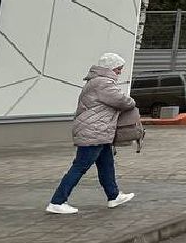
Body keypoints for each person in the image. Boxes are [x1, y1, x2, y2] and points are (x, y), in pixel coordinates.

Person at [47, 53, 137, 215]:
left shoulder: (97, 82)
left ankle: (113, 196)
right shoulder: (103, 83)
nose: (120, 72)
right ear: (110, 68)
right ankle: (57, 201)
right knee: (80, 166)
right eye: (118, 69)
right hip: (94, 132)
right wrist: (131, 101)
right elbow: (123, 101)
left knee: (106, 165)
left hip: (99, 132)